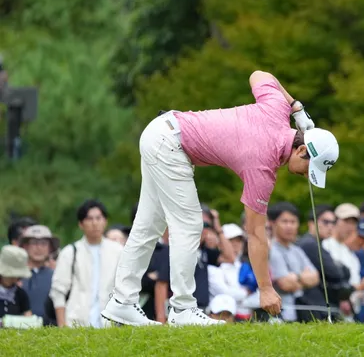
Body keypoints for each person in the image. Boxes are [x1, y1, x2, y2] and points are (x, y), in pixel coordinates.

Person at [101, 70, 340, 327]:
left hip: (161, 132)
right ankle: (182, 308)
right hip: (170, 144)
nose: (306, 176)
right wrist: (266, 288)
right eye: (309, 168)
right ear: (302, 149)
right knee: (190, 225)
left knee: (148, 225)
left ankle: (122, 302)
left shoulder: (277, 109)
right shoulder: (263, 166)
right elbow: (256, 232)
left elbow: (260, 76)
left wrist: (296, 108)